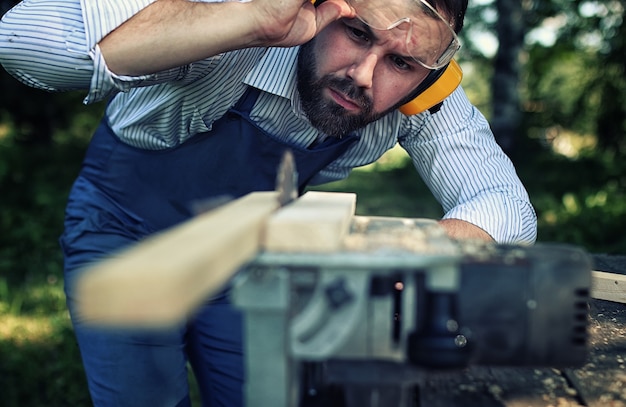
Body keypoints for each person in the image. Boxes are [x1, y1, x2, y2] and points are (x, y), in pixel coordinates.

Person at [0, 0, 537, 405]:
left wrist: (430, 251)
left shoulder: (423, 90)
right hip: (122, 233)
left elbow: (506, 204)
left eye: (401, 62)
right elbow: (21, 39)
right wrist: (252, 20)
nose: (363, 76)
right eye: (355, 33)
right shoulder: (238, 23)